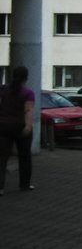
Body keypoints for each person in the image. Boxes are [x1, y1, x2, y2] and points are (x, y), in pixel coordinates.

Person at [0, 66, 36, 194]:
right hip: (20, 127)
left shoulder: (3, 90)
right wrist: (28, 126)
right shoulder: (28, 93)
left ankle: (1, 187)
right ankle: (24, 184)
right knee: (25, 157)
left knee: (2, 157)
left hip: (3, 127)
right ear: (26, 78)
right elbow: (28, 110)